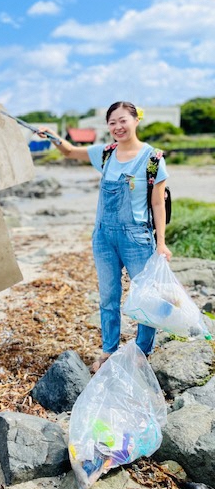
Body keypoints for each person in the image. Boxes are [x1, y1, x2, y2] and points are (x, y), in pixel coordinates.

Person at [39, 101, 172, 373]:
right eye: (112, 123)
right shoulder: (106, 153)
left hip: (137, 238)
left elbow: (158, 204)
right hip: (103, 237)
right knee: (108, 298)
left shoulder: (153, 159)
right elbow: (70, 151)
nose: (117, 127)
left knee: (145, 296)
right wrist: (51, 136)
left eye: (123, 120)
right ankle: (109, 349)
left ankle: (141, 350)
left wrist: (161, 243)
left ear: (136, 120)